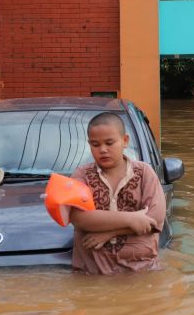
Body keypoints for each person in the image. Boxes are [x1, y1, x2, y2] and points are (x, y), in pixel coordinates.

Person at [69, 112, 166, 274]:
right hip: (92, 273)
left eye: (109, 143)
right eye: (95, 144)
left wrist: (109, 233)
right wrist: (132, 219)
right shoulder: (82, 175)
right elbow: (78, 217)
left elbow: (155, 218)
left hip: (141, 272)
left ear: (125, 141)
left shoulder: (144, 173)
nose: (103, 150)